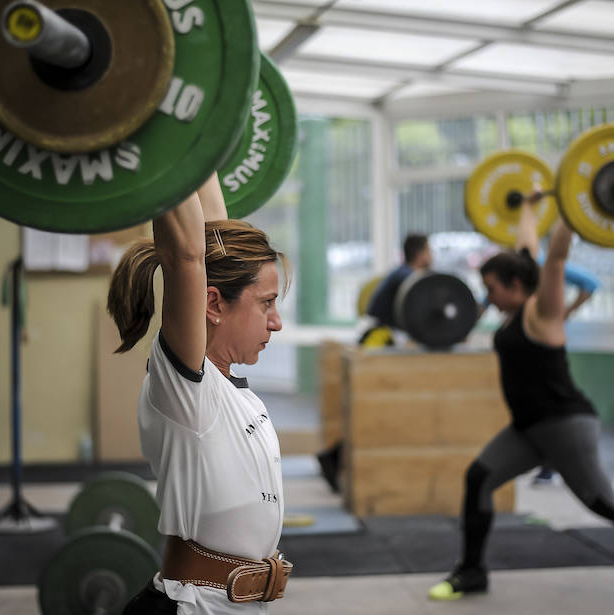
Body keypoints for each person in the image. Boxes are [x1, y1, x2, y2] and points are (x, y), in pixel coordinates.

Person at [427, 191, 614, 602]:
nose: (487, 298)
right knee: (479, 479)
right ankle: (472, 572)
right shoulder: (516, 303)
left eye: (490, 289)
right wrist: (527, 206)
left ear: (515, 285)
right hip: (528, 429)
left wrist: (572, 212)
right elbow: (527, 246)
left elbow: (553, 258)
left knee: (603, 502)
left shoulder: (542, 311)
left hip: (564, 424)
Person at [108, 173, 293, 615]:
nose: (277, 321)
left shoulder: (233, 394)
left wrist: (202, 136)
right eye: (266, 302)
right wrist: (164, 144)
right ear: (212, 305)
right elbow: (187, 254)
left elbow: (210, 236)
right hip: (192, 606)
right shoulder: (190, 392)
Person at [316, 233, 433, 492]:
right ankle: (334, 458)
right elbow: (419, 315)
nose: (432, 255)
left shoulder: (400, 274)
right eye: (429, 250)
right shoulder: (407, 278)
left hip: (376, 338)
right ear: (421, 253)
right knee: (374, 412)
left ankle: (334, 458)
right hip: (378, 342)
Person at [531, 257, 601, 486]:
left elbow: (590, 283)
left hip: (549, 352)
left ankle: (554, 466)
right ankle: (550, 465)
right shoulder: (515, 268)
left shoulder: (544, 264)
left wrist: (566, 312)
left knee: (553, 406)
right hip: (530, 350)